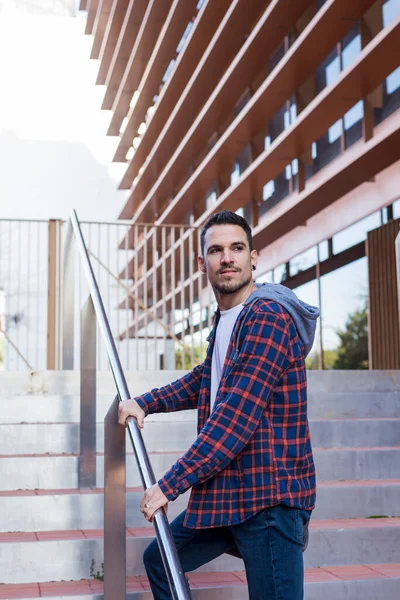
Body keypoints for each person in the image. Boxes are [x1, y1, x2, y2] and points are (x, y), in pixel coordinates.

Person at [118, 210, 318, 599]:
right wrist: (146, 401)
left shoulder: (267, 317)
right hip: (232, 494)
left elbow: (234, 418)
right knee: (161, 560)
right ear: (202, 263)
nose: (227, 257)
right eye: (217, 250)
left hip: (269, 499)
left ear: (253, 258)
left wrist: (170, 484)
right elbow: (205, 380)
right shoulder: (228, 319)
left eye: (237, 248)